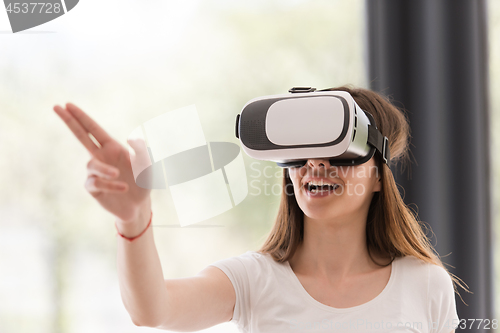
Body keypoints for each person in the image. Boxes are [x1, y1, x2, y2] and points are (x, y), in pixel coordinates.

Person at [53, 85, 468, 333]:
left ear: (378, 175)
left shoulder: (425, 284)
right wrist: (133, 217)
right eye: (301, 153)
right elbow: (153, 310)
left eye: (337, 151)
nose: (315, 166)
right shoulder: (253, 279)